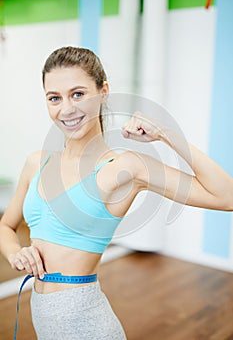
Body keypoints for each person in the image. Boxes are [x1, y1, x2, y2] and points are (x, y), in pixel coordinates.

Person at [0, 46, 233, 340]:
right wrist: (15, 253)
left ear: (104, 91)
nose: (66, 108)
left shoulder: (124, 168)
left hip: (86, 323)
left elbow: (227, 197)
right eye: (54, 98)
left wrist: (165, 134)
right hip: (43, 316)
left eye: (78, 94)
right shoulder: (38, 162)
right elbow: (6, 226)